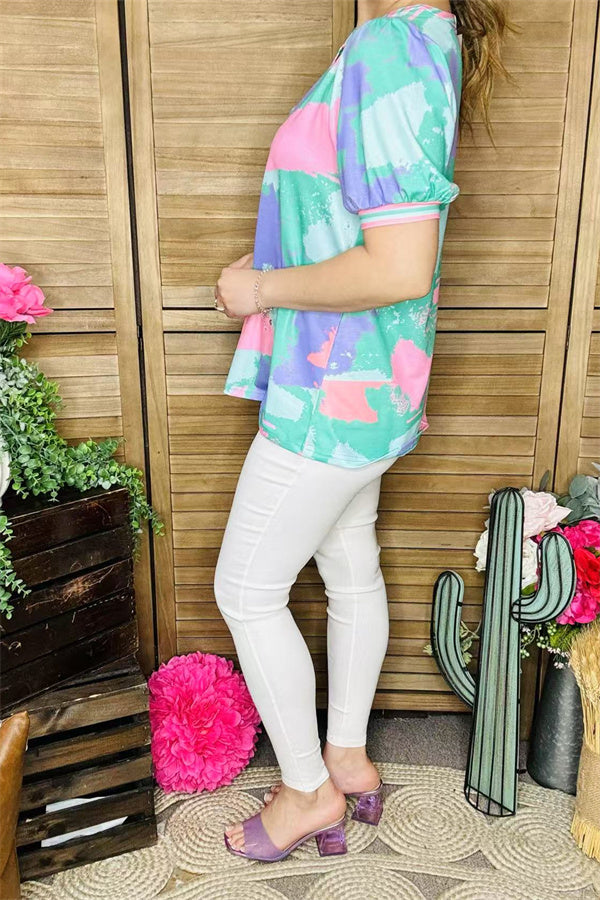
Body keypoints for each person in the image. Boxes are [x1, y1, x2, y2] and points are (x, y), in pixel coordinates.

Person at [213, 0, 514, 863]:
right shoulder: (421, 40)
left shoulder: (391, 45)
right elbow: (368, 225)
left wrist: (258, 291)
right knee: (350, 564)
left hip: (331, 388)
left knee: (247, 590)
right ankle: (345, 757)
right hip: (373, 385)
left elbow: (399, 265)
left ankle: (308, 793)